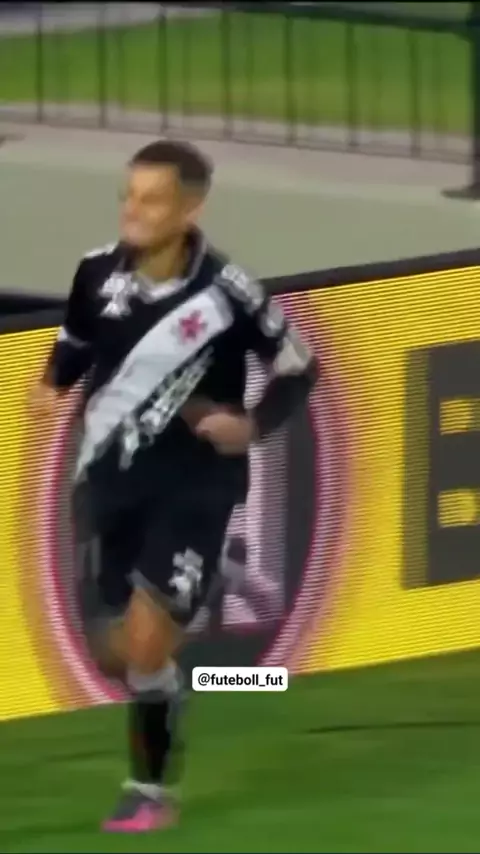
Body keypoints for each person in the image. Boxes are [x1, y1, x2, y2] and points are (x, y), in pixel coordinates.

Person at [31, 139, 318, 833]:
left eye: (151, 200)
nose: (133, 211)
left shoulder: (229, 293)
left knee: (146, 642)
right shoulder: (95, 272)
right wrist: (51, 384)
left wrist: (251, 426)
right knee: (116, 651)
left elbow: (299, 367)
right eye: (128, 196)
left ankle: (149, 791)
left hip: (195, 487)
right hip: (106, 479)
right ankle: (171, 680)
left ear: (192, 208)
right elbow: (75, 342)